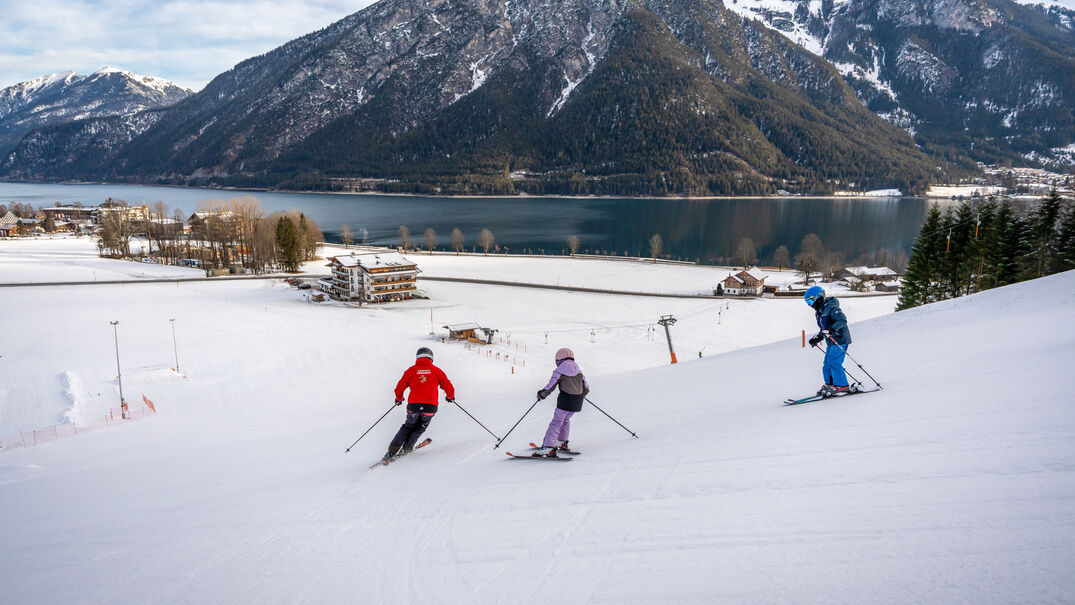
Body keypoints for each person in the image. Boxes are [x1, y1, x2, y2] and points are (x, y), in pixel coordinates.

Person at [383, 347, 455, 462]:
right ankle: (407, 448)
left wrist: (399, 398)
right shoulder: (437, 370)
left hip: (414, 406)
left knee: (408, 426)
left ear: (418, 356)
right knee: (421, 426)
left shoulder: (411, 370)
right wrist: (450, 397)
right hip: (430, 407)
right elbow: (448, 386)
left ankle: (392, 451)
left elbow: (399, 387)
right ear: (431, 357)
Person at [534, 347, 589, 457]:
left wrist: (542, 394)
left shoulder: (559, 370)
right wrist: (578, 396)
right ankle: (562, 443)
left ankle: (548, 447)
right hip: (577, 403)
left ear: (559, 360)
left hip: (565, 401)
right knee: (566, 420)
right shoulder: (579, 371)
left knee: (556, 423)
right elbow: (586, 388)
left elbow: (551, 385)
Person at [804, 286, 855, 397]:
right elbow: (824, 328)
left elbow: (842, 320)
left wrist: (833, 329)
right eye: (807, 302)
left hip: (840, 339)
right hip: (831, 341)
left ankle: (842, 385)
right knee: (827, 364)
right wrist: (818, 338)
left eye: (810, 301)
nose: (809, 305)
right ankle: (830, 384)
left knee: (834, 362)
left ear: (819, 298)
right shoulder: (819, 312)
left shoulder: (831, 307)